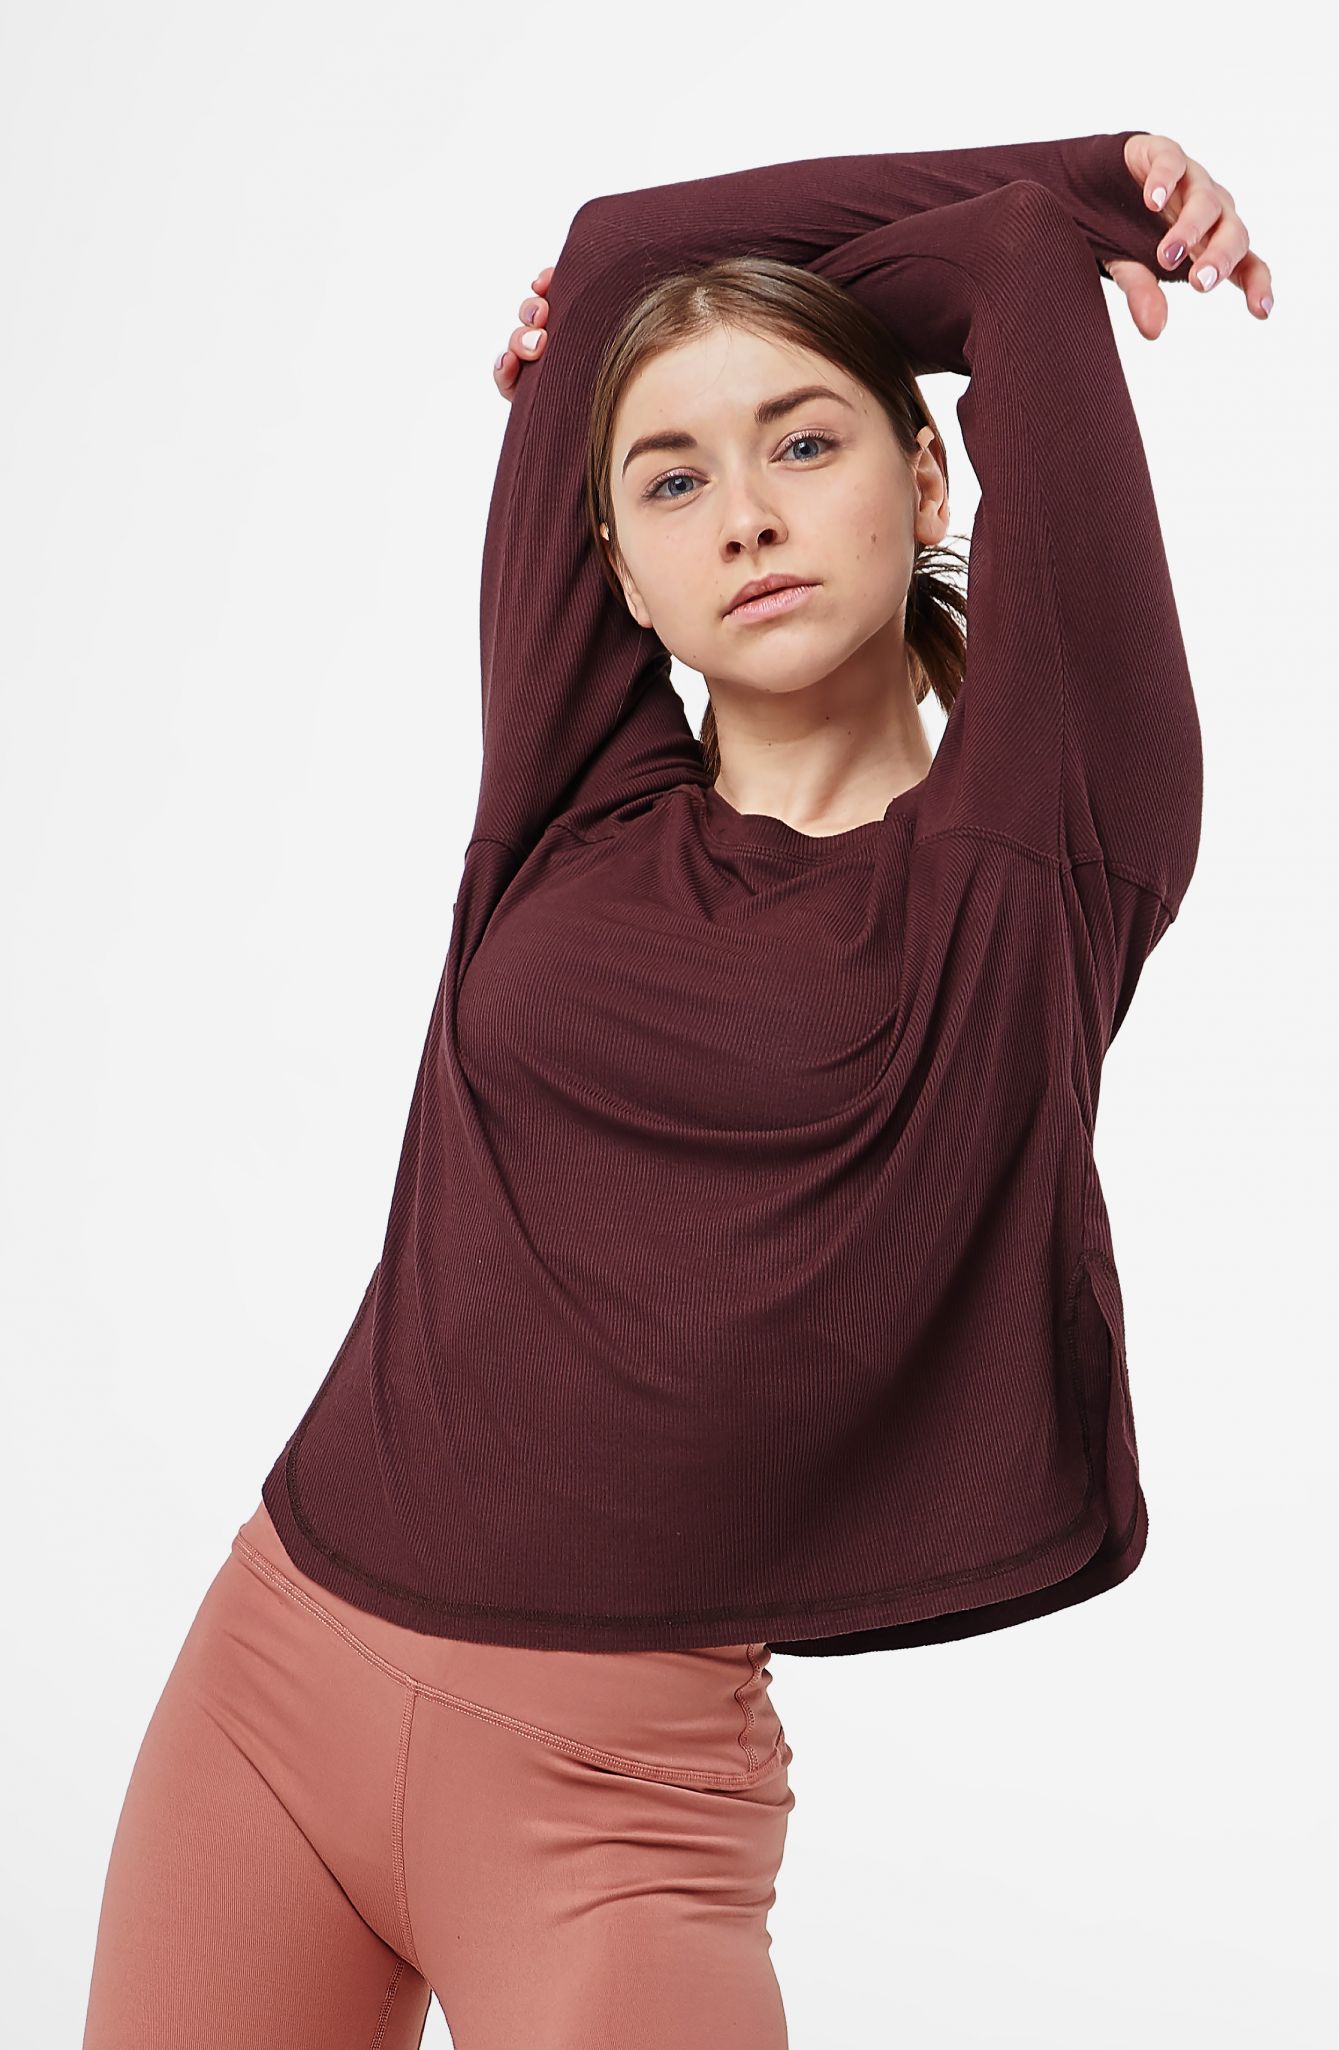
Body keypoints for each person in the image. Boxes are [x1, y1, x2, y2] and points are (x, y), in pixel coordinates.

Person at [81, 128, 1265, 2048]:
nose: (746, 518)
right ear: (619, 568)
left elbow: (1013, 272)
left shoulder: (1036, 854)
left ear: (930, 473)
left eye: (807, 442)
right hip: (272, 1675)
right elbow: (618, 247)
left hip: (609, 1813)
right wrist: (699, 326)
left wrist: (1085, 208)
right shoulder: (576, 796)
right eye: (671, 477)